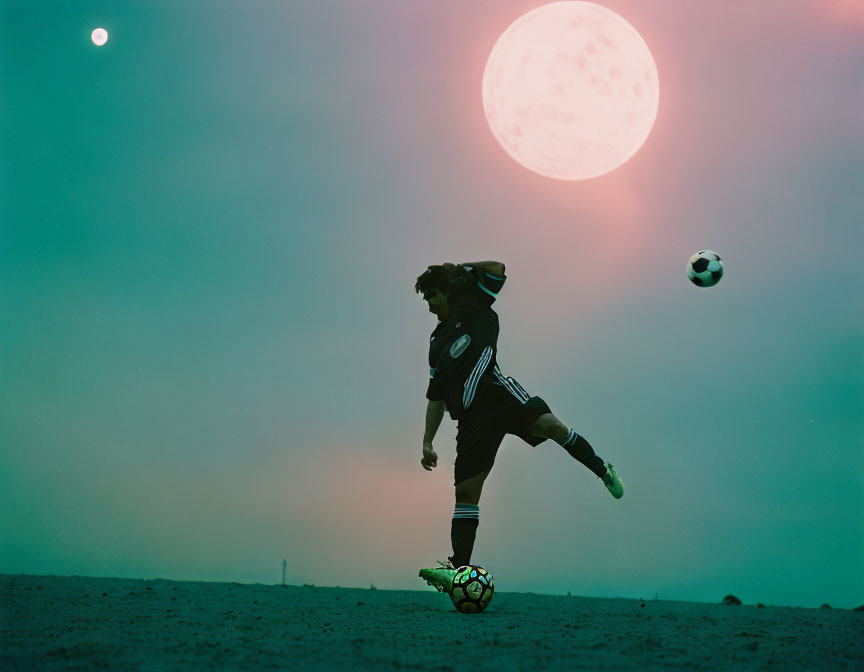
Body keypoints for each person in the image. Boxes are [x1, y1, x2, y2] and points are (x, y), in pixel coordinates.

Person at [415, 261, 624, 594]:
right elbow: (435, 398)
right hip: (472, 422)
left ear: (449, 291)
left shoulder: (473, 304)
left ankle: (603, 470)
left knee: (551, 426)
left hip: (503, 398)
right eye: (425, 298)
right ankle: (458, 570)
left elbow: (498, 269)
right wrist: (427, 442)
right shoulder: (437, 342)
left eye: (433, 295)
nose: (428, 304)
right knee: (467, 494)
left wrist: (460, 269)